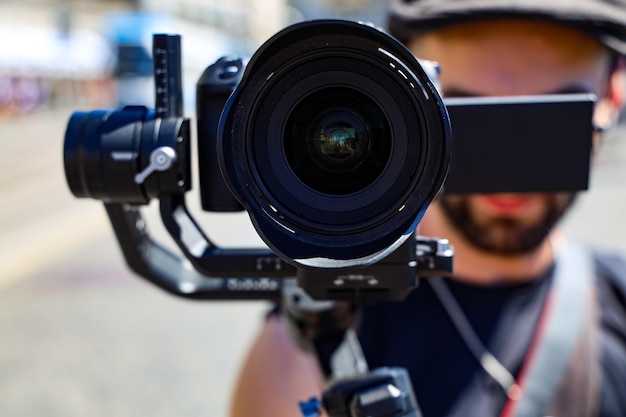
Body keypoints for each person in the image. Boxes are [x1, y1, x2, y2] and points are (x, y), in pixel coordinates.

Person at [228, 1, 626, 416]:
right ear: (405, 99)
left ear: (614, 93)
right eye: (468, 119)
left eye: (552, 124)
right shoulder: (313, 340)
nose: (509, 165)